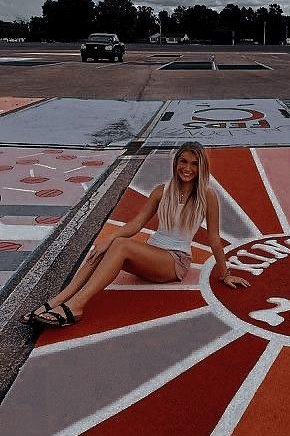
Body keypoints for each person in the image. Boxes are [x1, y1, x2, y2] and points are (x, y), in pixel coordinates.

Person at [21, 141, 250, 328]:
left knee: (120, 244)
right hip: (152, 255)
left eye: (194, 163)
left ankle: (77, 306)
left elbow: (213, 240)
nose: (187, 168)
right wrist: (105, 241)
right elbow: (136, 223)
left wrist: (225, 273)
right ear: (176, 163)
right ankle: (57, 300)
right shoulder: (162, 191)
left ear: (201, 168)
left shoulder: (207, 196)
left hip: (175, 261)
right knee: (104, 248)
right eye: (183, 161)